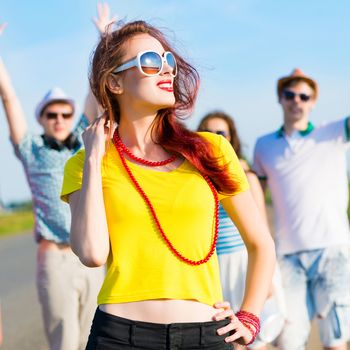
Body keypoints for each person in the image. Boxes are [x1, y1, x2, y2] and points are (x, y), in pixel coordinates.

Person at [61, 20, 276, 349]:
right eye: (150, 61)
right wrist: (92, 158)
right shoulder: (86, 164)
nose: (167, 70)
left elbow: (261, 244)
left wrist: (250, 315)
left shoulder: (211, 150)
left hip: (206, 335)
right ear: (115, 82)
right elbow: (91, 253)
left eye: (169, 61)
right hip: (119, 337)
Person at [0, 7, 115, 349]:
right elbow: (9, 98)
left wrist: (105, 40)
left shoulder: (85, 136)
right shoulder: (31, 149)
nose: (61, 118)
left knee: (93, 339)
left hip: (92, 255)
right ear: (43, 118)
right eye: (52, 114)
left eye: (66, 112)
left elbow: (96, 91)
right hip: (56, 257)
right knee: (64, 341)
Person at [252, 68, 350, 350]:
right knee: (289, 341)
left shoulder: (332, 132)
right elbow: (255, 195)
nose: (297, 101)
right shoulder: (263, 145)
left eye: (304, 96)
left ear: (313, 102)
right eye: (290, 94)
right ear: (280, 98)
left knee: (335, 339)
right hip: (287, 256)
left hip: (332, 249)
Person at [198, 111, 286, 350]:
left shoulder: (246, 177)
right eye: (208, 132)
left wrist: (267, 279)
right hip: (214, 266)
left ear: (231, 138)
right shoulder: (196, 180)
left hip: (243, 261)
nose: (214, 137)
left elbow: (262, 232)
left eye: (221, 133)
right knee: (226, 337)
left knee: (254, 337)